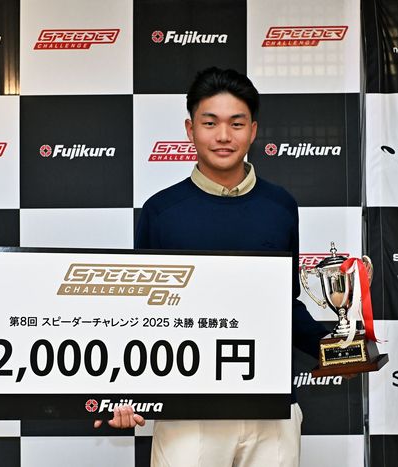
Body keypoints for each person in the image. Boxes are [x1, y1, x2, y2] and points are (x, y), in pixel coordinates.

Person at [95, 67, 328, 467]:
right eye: (210, 123)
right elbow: (140, 314)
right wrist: (122, 389)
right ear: (190, 129)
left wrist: (337, 350)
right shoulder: (161, 211)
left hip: (271, 408)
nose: (223, 136)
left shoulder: (281, 207)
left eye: (236, 123)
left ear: (253, 131)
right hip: (188, 411)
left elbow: (283, 305)